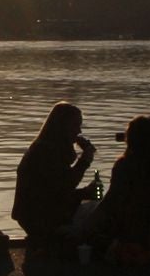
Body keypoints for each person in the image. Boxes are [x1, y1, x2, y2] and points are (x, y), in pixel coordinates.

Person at [91, 114, 150, 260]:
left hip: (132, 232)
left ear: (130, 140)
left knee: (88, 212)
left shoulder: (124, 165)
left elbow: (110, 201)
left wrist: (90, 223)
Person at [11, 101, 98, 244]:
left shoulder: (44, 148)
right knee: (98, 210)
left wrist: (85, 192)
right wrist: (84, 162)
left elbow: (56, 191)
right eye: (76, 125)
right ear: (63, 127)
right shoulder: (46, 153)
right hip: (40, 219)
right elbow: (60, 191)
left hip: (34, 215)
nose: (79, 131)